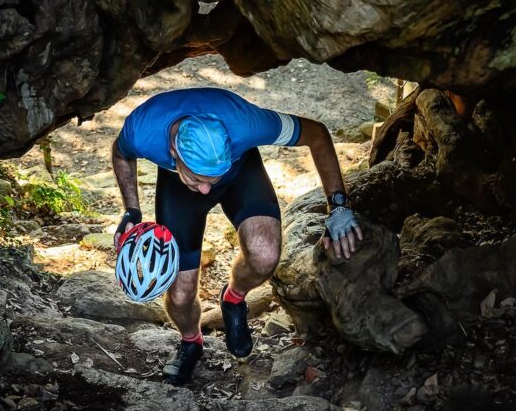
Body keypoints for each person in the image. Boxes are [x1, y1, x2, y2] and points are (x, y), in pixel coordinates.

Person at [111, 87, 362, 385]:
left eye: (211, 180)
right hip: (177, 190)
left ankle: (233, 299)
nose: (206, 188)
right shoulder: (143, 130)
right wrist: (132, 211)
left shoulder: (247, 123)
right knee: (179, 295)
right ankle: (191, 341)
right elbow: (120, 153)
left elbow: (317, 133)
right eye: (198, 180)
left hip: (241, 173)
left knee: (265, 255)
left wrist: (338, 206)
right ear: (174, 151)